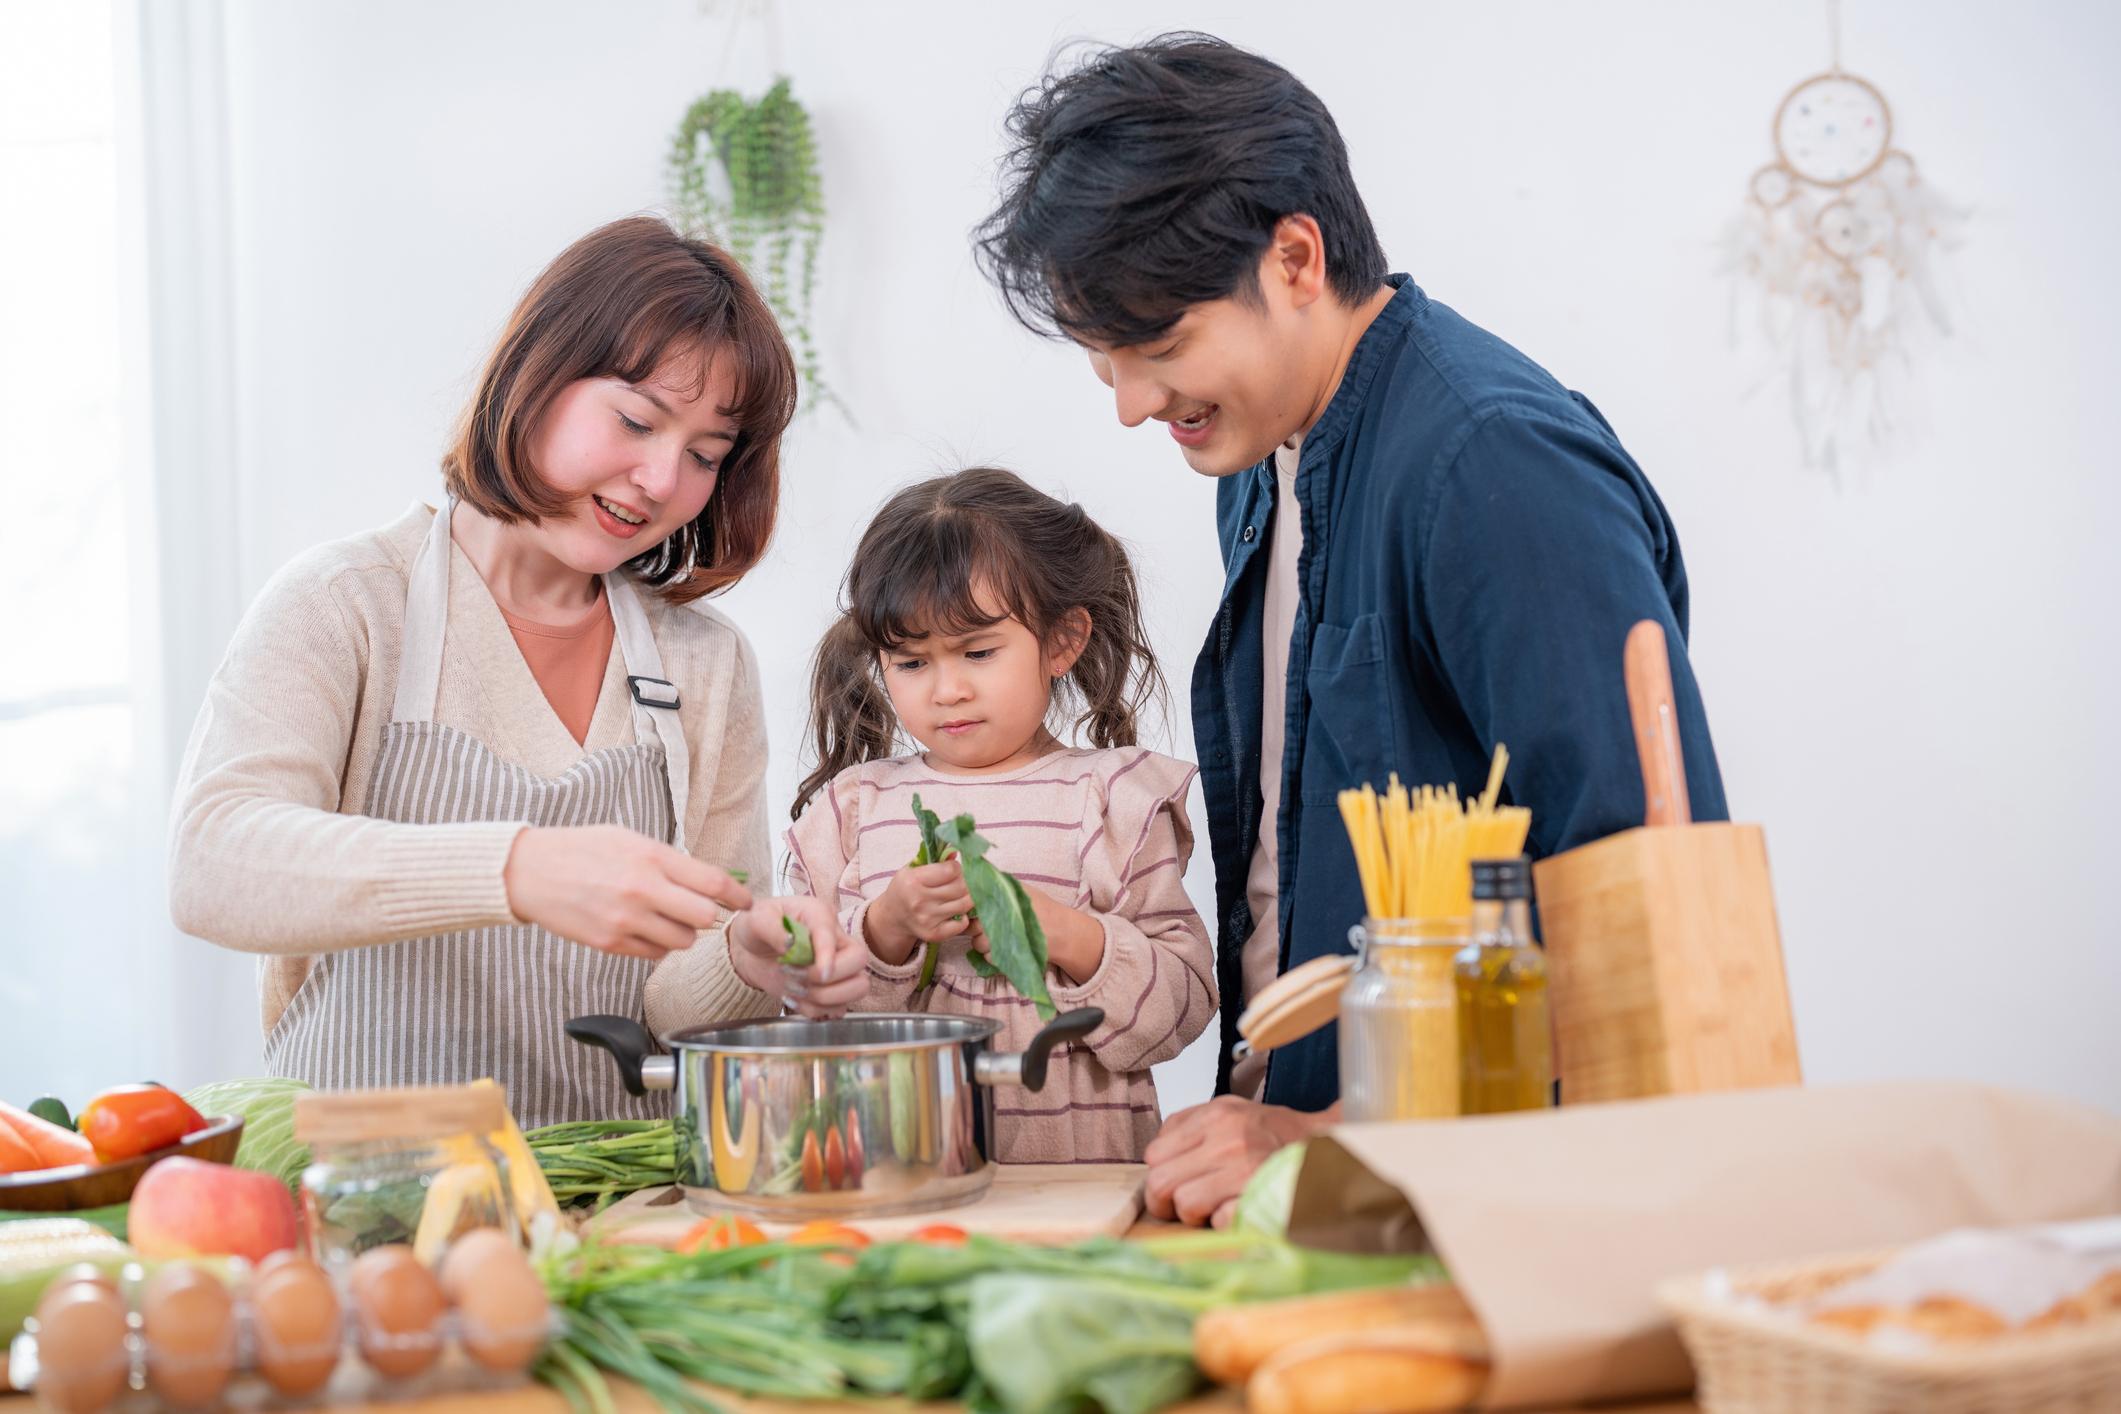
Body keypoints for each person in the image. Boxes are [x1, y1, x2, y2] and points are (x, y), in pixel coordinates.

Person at [975, 35, 1729, 1221]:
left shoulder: (1493, 462)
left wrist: (1328, 1134)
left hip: (1495, 1216)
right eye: (1104, 364)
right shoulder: (1260, 457)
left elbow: (1638, 924)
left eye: (1161, 349)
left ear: (1294, 257)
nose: (1131, 406)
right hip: (1322, 1189)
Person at [169, 217, 865, 1127]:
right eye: (636, 419)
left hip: (622, 1207)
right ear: (534, 376)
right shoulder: (347, 603)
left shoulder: (704, 664)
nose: (660, 478)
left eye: (704, 455)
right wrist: (516, 869)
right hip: (375, 1209)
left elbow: (669, 1008)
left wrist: (743, 960)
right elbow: (213, 865)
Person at [776, 468, 1216, 1161]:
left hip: (1084, 1190)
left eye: (977, 653)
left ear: (1062, 642)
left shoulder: (1112, 800)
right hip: (902, 1183)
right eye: (911, 662)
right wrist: (887, 930)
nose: (947, 691)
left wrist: (1060, 932)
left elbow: (1178, 1012)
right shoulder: (852, 812)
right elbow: (805, 1021)